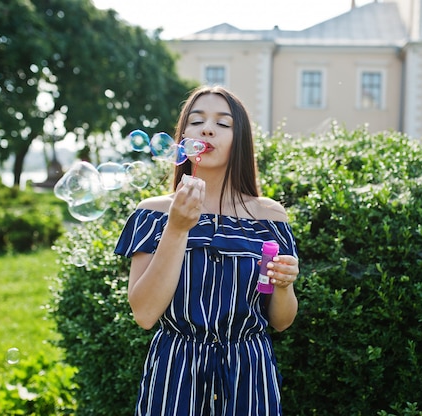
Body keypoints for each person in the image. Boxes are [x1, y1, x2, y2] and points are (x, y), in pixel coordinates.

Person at [114, 85, 300, 416]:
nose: (207, 129)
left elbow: (281, 321)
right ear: (183, 136)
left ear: (240, 139)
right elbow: (144, 314)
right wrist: (177, 227)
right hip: (175, 373)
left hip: (249, 372)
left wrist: (284, 286)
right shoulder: (154, 213)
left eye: (223, 123)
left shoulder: (269, 217)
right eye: (196, 121)